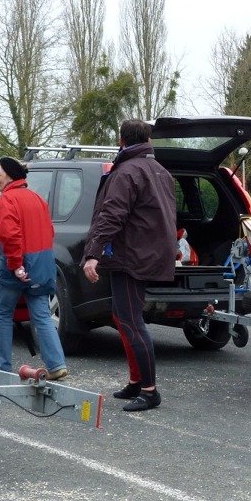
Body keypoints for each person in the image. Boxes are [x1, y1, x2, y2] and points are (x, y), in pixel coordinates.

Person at [82, 119, 177, 412]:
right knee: (124, 317)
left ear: (122, 140)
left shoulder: (127, 171)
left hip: (131, 256)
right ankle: (136, 382)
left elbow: (112, 215)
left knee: (131, 321)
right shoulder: (161, 171)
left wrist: (93, 253)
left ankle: (149, 391)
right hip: (148, 253)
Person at [0, 156, 68, 381]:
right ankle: (56, 364)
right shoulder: (37, 199)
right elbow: (49, 231)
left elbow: (9, 236)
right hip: (43, 263)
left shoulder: (6, 200)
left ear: (9, 176)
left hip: (19, 264)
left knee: (3, 313)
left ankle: (2, 365)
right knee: (41, 315)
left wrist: (16, 265)